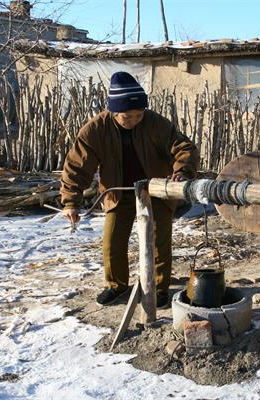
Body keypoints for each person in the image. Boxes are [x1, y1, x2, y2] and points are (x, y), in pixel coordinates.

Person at [60, 71, 199, 307]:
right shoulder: (95, 130)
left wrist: (183, 171)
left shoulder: (155, 123)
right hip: (118, 191)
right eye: (128, 116)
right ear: (114, 112)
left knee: (158, 240)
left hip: (155, 189)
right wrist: (71, 201)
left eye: (138, 114)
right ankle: (117, 286)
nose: (135, 119)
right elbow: (76, 165)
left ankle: (158, 288)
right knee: (112, 241)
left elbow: (184, 147)